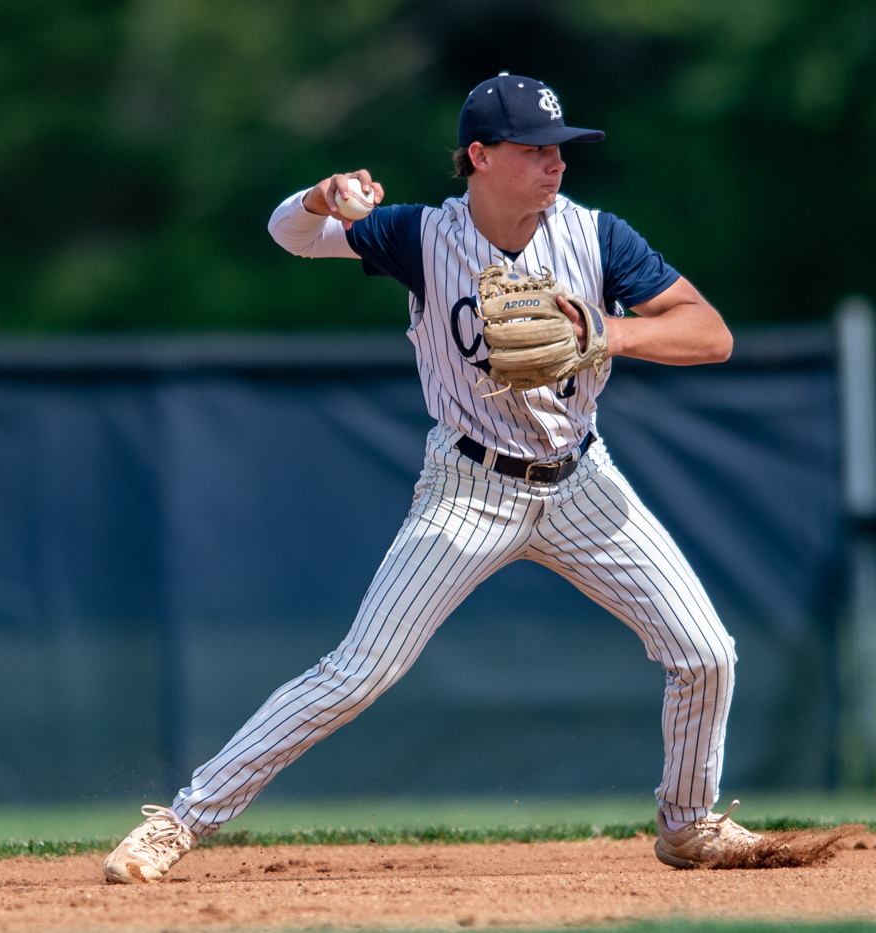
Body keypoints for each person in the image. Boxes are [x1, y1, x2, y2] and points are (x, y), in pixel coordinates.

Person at [102, 73, 760, 884]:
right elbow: (289, 235)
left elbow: (711, 333)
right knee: (359, 670)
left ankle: (689, 823)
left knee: (706, 652)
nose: (556, 163)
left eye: (561, 149)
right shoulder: (421, 235)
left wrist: (607, 331)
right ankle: (180, 821)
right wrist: (320, 195)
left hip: (583, 483)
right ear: (479, 156)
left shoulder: (597, 239)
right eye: (535, 150)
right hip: (470, 487)